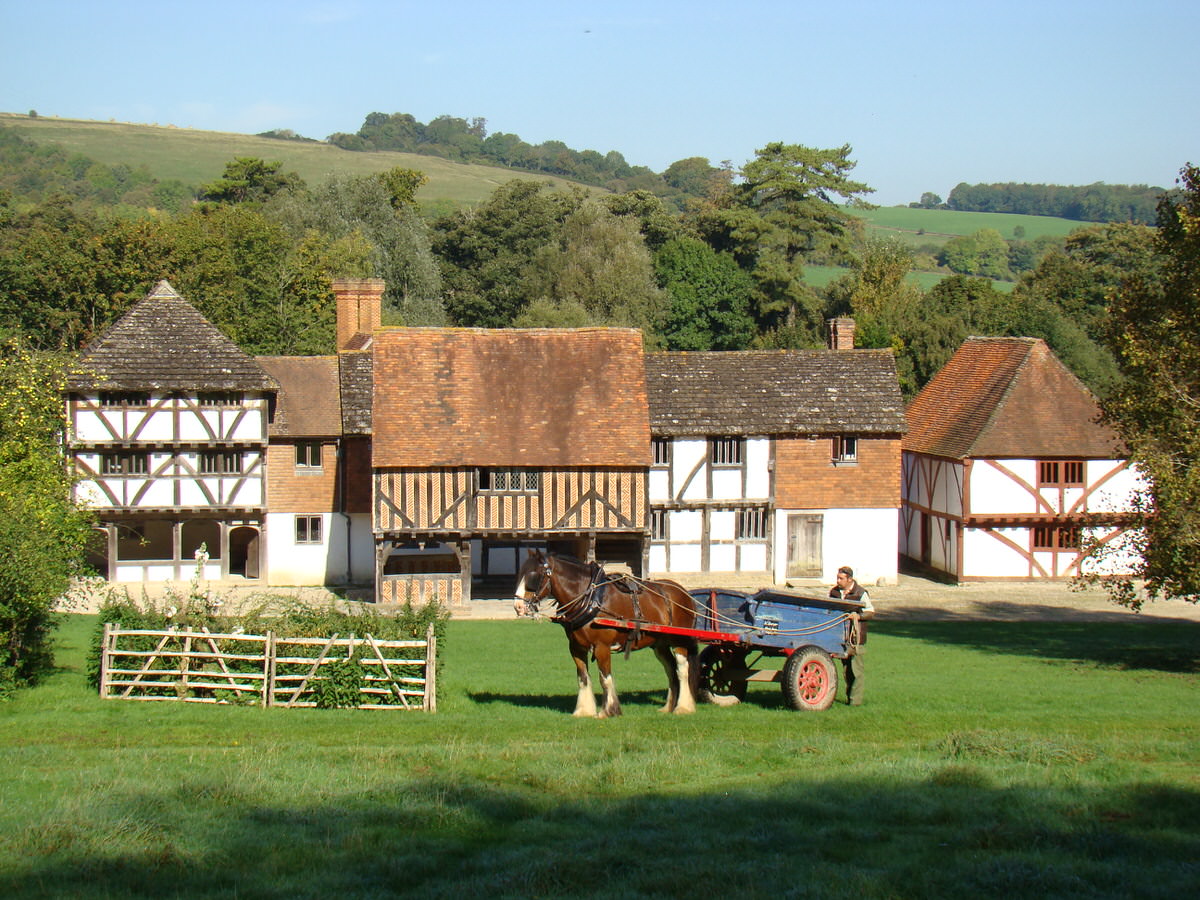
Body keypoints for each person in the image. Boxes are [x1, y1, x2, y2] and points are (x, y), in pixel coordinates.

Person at [829, 565, 874, 706]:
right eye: (837, 577)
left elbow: (871, 612)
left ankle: (855, 702)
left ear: (850, 579)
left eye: (841, 578)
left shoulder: (860, 593)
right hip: (841, 637)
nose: (838, 580)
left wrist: (858, 616)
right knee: (847, 671)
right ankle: (850, 698)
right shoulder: (834, 593)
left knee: (856, 671)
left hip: (856, 639)